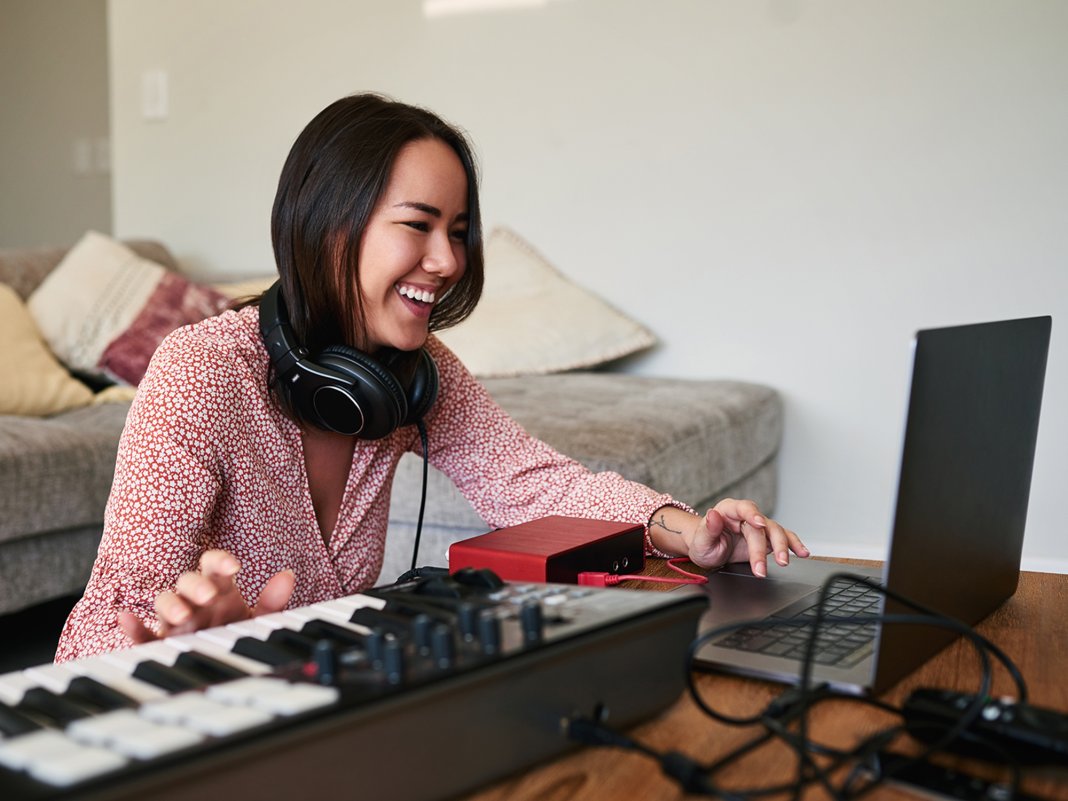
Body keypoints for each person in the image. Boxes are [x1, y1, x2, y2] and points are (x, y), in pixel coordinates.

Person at [55, 93, 808, 662]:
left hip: (324, 705)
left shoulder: (418, 373)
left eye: (456, 231)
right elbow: (100, 624)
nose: (447, 262)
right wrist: (174, 642)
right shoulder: (203, 371)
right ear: (328, 226)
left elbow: (541, 485)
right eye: (417, 225)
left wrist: (689, 533)